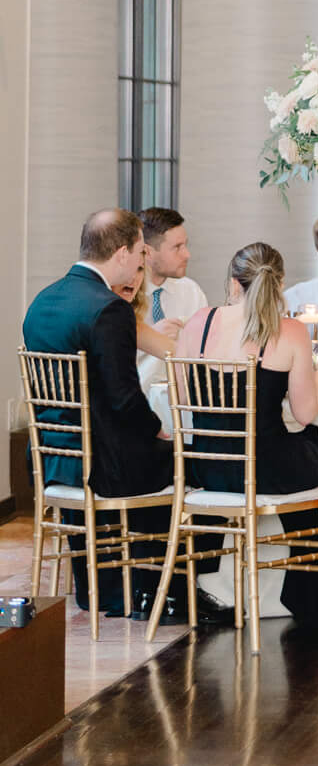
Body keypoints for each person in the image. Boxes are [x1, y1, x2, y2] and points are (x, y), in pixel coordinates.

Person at [176, 242, 318, 632]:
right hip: (264, 471)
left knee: (305, 450)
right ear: (278, 284)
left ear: (233, 283)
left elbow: (182, 401)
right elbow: (305, 412)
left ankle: (225, 585)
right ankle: (308, 592)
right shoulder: (289, 331)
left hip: (205, 469)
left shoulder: (199, 322)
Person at [22, 209, 186, 619]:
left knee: (157, 454)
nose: (140, 264)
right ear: (120, 252)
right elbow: (125, 400)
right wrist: (160, 431)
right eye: (138, 254)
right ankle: (158, 591)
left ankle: (106, 590)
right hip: (102, 465)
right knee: (188, 463)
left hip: (52, 458)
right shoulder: (108, 308)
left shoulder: (43, 301)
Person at [139, 207, 208, 331]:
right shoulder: (123, 296)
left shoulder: (191, 292)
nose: (187, 255)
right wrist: (152, 339)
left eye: (185, 245)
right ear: (147, 252)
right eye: (177, 247)